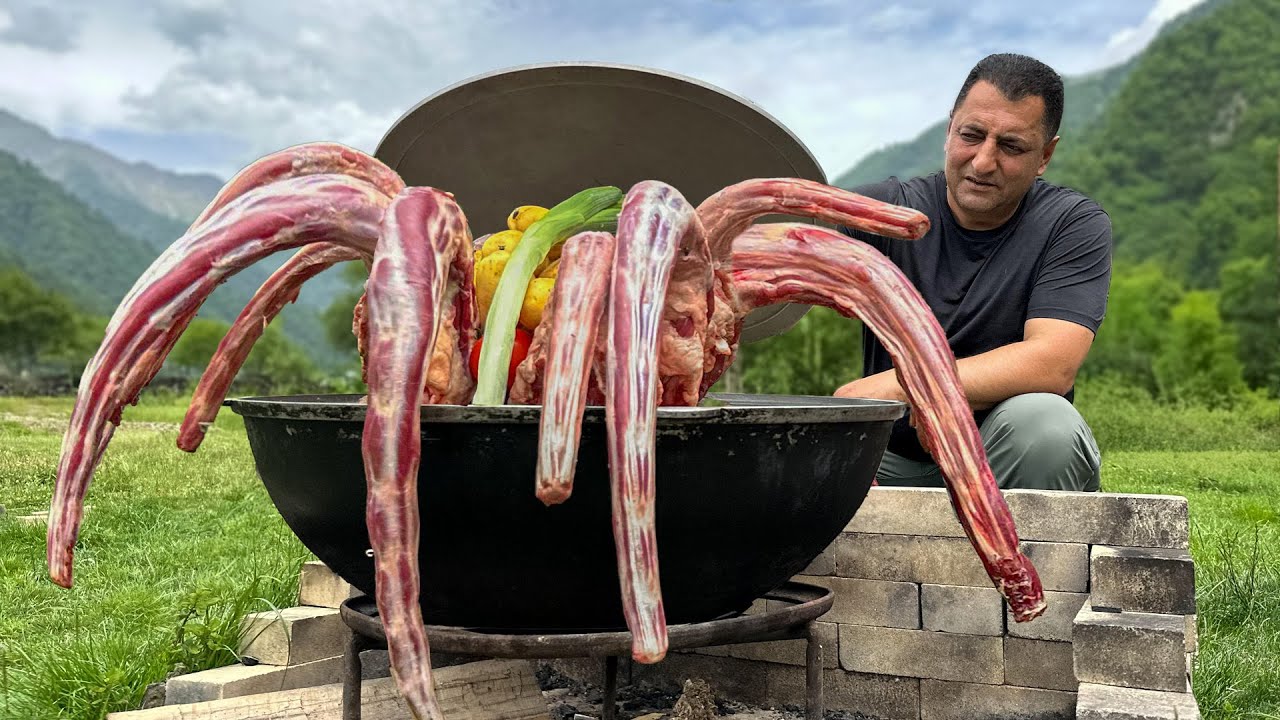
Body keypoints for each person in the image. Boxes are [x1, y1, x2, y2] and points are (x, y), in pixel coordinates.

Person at [835, 52, 1111, 492]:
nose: (983, 162)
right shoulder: (880, 213)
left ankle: (1031, 560)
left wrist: (906, 385)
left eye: (1011, 146)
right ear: (949, 130)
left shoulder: (1070, 224)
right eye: (972, 135)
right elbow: (770, 258)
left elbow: (1052, 364)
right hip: (889, 458)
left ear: (1045, 155)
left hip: (999, 455)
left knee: (1047, 425)